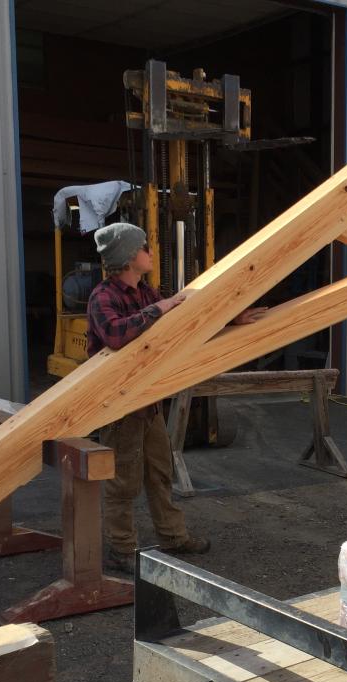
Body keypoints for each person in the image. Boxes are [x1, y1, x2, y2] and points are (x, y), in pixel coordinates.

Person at [86, 222, 263, 574]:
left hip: (148, 400)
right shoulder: (103, 297)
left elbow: (185, 322)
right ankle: (121, 549)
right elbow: (116, 335)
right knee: (123, 481)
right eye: (144, 247)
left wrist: (232, 321)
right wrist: (161, 307)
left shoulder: (145, 292)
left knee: (159, 472)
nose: (150, 252)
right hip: (120, 404)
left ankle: (172, 536)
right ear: (128, 257)